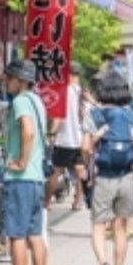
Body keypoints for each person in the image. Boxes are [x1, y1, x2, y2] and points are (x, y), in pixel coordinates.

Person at [0, 59, 49, 265]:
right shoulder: (37, 101)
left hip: (20, 179)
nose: (7, 82)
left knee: (16, 234)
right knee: (34, 234)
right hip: (37, 178)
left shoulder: (19, 102)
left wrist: (20, 161)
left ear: (19, 79)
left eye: (9, 78)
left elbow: (27, 131)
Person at [83, 74, 133, 265]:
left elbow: (85, 148)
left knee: (98, 224)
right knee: (120, 227)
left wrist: (87, 167)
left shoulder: (94, 115)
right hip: (126, 177)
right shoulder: (131, 115)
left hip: (104, 176)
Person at [46, 62, 88, 211]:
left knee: (56, 171)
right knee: (80, 171)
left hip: (64, 140)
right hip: (81, 140)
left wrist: (51, 134)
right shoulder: (83, 93)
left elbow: (58, 117)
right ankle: (78, 201)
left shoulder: (63, 92)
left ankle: (46, 202)